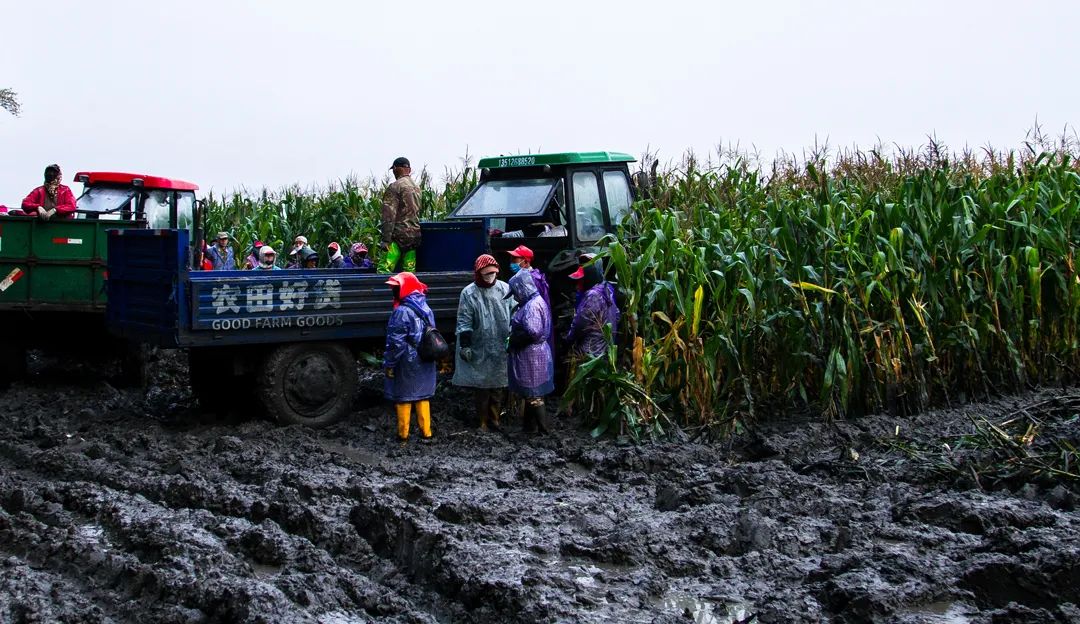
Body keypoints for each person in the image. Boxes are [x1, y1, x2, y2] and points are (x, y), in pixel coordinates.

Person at [452, 254, 512, 431]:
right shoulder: (469, 293)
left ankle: (495, 419)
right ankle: (482, 421)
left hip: (501, 344)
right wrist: (465, 345)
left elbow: (515, 312)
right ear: (478, 273)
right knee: (481, 387)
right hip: (479, 345)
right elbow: (464, 320)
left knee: (498, 385)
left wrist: (513, 336)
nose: (490, 276)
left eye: (493, 273)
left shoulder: (505, 289)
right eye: (486, 273)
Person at [383, 272, 437, 441]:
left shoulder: (401, 312)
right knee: (422, 396)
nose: (393, 290)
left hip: (407, 360)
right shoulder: (426, 307)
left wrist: (390, 364)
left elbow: (396, 343)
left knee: (404, 397)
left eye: (396, 287)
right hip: (425, 356)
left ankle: (403, 435)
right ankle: (426, 433)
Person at [507, 270, 555, 433]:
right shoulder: (536, 301)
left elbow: (533, 331)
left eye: (515, 293)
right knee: (530, 394)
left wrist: (514, 340)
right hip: (536, 353)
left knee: (534, 394)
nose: (514, 297)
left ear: (521, 289)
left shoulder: (532, 306)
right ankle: (529, 427)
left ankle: (543, 429)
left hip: (532, 356)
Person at [566, 257, 620, 357]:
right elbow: (617, 315)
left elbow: (581, 323)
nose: (577, 285)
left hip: (592, 350)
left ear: (588, 278)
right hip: (607, 349)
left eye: (581, 280)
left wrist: (570, 338)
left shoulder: (593, 295)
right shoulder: (607, 288)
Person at [379, 156, 422, 273]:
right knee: (409, 273)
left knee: (384, 270)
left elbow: (388, 216)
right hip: (413, 237)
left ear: (397, 169)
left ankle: (382, 291)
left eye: (393, 169)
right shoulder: (417, 188)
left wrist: (386, 240)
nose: (393, 171)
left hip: (397, 238)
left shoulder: (395, 187)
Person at [507, 245, 553, 353]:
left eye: (515, 259)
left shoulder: (533, 279)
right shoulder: (530, 277)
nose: (511, 262)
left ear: (526, 262)